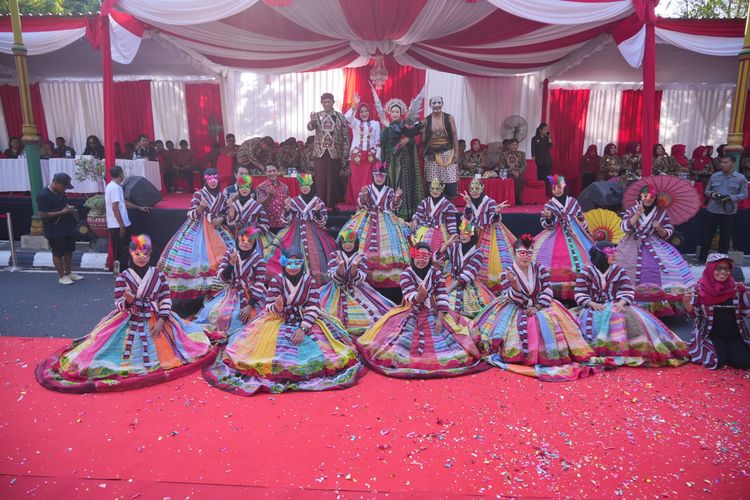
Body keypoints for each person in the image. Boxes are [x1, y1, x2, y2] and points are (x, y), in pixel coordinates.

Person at [36, 235, 215, 393]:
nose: (142, 257)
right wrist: (128, 301)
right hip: (131, 317)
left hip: (157, 317)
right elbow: (119, 303)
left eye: (145, 253)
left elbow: (165, 297)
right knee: (104, 348)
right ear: (131, 254)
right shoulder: (123, 277)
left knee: (177, 343)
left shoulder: (158, 275)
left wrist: (162, 319)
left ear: (150, 253)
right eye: (138, 253)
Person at [203, 247, 364, 396]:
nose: (293, 266)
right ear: (284, 263)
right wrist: (278, 306)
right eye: (289, 262)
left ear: (302, 264)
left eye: (297, 263)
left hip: (306, 319)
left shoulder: (309, 281)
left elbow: (314, 305)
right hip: (279, 319)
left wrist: (303, 328)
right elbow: (268, 306)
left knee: (325, 351)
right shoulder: (276, 281)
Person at [474, 234, 595, 382]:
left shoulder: (540, 269)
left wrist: (537, 306)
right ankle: (525, 354)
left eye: (529, 253)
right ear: (515, 253)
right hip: (515, 306)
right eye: (522, 253)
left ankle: (551, 353)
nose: (525, 257)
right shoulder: (507, 273)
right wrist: (516, 287)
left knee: (549, 318)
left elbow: (547, 289)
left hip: (540, 303)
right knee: (524, 325)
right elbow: (511, 297)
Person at [357, 242, 485, 378]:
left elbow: (442, 295)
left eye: (425, 256)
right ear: (413, 257)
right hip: (412, 311)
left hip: (434, 312)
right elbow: (410, 297)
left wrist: (440, 319)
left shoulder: (435, 273)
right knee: (400, 342)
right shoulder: (406, 274)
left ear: (429, 258)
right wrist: (420, 296)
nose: (421, 260)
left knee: (449, 339)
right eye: (418, 256)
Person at [575, 241, 688, 366]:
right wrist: (590, 303)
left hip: (616, 303)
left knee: (622, 316)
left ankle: (627, 350)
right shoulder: (586, 272)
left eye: (615, 252)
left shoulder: (619, 270)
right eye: (611, 253)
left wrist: (622, 302)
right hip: (593, 306)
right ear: (601, 255)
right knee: (594, 320)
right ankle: (599, 349)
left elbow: (627, 289)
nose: (615, 255)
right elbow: (580, 291)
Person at [616, 185, 695, 316]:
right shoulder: (632, 210)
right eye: (645, 196)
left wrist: (659, 228)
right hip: (631, 243)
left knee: (657, 268)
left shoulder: (661, 213)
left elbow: (668, 232)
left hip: (654, 242)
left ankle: (658, 303)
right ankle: (626, 299)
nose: (648, 199)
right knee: (626, 268)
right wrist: (637, 214)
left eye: (652, 197)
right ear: (640, 196)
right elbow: (624, 228)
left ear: (655, 198)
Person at [157, 168, 235, 299]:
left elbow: (225, 213)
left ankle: (215, 291)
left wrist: (221, 218)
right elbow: (191, 215)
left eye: (215, 178)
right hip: (198, 229)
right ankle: (204, 292)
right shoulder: (199, 194)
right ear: (205, 180)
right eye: (209, 179)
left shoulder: (222, 196)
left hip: (217, 230)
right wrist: (201, 207)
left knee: (222, 256)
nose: (213, 181)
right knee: (200, 258)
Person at [339, 162, 409, 288]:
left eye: (382, 176)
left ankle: (383, 277)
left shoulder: (389, 190)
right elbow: (361, 203)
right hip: (367, 217)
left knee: (388, 245)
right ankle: (359, 272)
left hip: (386, 219)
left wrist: (397, 197)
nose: (379, 178)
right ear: (373, 176)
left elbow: (393, 206)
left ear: (385, 177)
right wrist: (365, 196)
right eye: (377, 175)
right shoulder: (367, 188)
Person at [193, 226, 267, 341]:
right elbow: (221, 277)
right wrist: (231, 263)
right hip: (231, 293)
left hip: (251, 296)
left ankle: (233, 336)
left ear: (254, 243)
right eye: (242, 240)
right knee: (212, 312)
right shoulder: (230, 254)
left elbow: (259, 283)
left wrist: (249, 305)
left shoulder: (259, 260)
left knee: (240, 317)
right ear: (238, 240)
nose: (245, 243)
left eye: (250, 241)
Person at [319, 230, 394, 336]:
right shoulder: (334, 255)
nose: (347, 245)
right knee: (327, 315)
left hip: (357, 289)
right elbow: (334, 277)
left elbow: (359, 278)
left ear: (355, 243)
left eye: (351, 242)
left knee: (372, 314)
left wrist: (354, 267)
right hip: (335, 289)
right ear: (341, 243)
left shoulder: (361, 257)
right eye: (344, 242)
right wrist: (340, 267)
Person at [683, 253, 750, 369]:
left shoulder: (738, 289)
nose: (723, 272)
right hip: (710, 334)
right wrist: (687, 303)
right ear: (710, 269)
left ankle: (732, 350)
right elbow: (696, 316)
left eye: (727, 268)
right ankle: (724, 351)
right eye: (718, 268)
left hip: (735, 334)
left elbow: (746, 312)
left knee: (743, 363)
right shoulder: (697, 289)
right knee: (717, 361)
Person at [267, 174, 336, 286]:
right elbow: (285, 222)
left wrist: (317, 213)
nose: (304, 188)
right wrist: (287, 210)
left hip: (314, 233)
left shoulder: (318, 202)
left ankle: (311, 280)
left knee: (317, 256)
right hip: (295, 231)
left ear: (311, 186)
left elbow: (323, 222)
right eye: (302, 185)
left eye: (307, 185)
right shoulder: (294, 201)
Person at [533, 175, 594, 300]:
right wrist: (549, 218)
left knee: (584, 254)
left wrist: (587, 234)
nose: (557, 190)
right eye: (554, 188)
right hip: (556, 233)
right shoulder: (549, 205)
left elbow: (581, 219)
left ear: (564, 187)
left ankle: (581, 285)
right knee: (556, 255)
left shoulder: (573, 202)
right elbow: (546, 224)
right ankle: (555, 288)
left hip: (575, 232)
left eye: (559, 187)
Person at [461, 176, 514, 291]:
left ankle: (488, 285)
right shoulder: (469, 201)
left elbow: (494, 221)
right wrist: (468, 205)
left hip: (488, 232)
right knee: (469, 254)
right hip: (473, 231)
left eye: (477, 188)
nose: (474, 191)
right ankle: (469, 278)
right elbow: (466, 219)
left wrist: (496, 212)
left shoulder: (490, 202)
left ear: (482, 188)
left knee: (488, 258)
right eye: (472, 189)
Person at [435, 219, 494, 318]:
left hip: (467, 285)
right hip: (450, 279)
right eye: (461, 233)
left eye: (466, 233)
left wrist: (449, 288)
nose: (463, 236)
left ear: (473, 235)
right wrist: (446, 244)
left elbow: (467, 274)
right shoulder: (454, 246)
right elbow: (437, 259)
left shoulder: (478, 253)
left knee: (459, 309)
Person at [699, 156, 749, 263]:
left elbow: (744, 194)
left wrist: (731, 198)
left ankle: (721, 259)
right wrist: (713, 194)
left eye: (726, 162)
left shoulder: (740, 178)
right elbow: (707, 191)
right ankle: (702, 258)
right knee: (707, 234)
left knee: (725, 237)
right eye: (722, 162)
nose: (723, 164)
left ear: (732, 164)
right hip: (713, 209)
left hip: (729, 211)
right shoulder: (715, 176)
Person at [380, 101, 424, 220]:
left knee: (402, 183)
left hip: (404, 161)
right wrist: (386, 128)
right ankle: (390, 209)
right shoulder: (387, 125)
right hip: (391, 161)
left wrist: (409, 140)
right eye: (393, 111)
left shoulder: (405, 125)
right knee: (391, 183)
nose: (395, 113)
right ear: (390, 113)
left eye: (397, 112)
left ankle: (404, 211)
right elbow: (383, 141)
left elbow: (414, 142)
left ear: (401, 114)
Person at [37, 173, 83, 285]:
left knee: (69, 250)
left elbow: (64, 206)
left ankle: (68, 272)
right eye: (64, 186)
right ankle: (61, 276)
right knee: (58, 252)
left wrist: (69, 209)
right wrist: (63, 212)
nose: (65, 189)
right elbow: (42, 215)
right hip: (54, 228)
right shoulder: (43, 195)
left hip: (67, 225)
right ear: (55, 183)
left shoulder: (61, 193)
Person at [307, 92, 350, 210]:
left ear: (333, 102)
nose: (326, 104)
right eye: (324, 102)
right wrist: (311, 122)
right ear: (321, 103)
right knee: (320, 178)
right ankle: (320, 201)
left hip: (335, 151)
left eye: (329, 101)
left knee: (333, 178)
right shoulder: (316, 116)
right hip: (320, 152)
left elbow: (345, 136)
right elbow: (310, 128)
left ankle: (333, 202)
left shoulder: (340, 116)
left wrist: (346, 153)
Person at [105, 166, 150, 273]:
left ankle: (125, 272)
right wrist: (121, 226)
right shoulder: (114, 188)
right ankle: (120, 274)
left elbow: (123, 203)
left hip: (124, 223)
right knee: (121, 252)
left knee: (129, 248)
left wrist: (139, 207)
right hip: (118, 225)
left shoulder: (115, 186)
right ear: (121, 174)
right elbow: (115, 207)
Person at [344, 95, 381, 206]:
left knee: (369, 181)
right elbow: (347, 117)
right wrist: (354, 106)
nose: (364, 113)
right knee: (357, 180)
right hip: (357, 157)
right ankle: (358, 202)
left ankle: (368, 202)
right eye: (361, 111)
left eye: (366, 111)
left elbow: (378, 141)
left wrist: (378, 157)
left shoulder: (376, 124)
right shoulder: (355, 122)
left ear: (369, 112)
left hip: (370, 157)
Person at [423, 96, 459, 199]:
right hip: (432, 156)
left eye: (439, 102)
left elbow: (455, 135)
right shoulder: (426, 120)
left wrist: (456, 153)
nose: (437, 105)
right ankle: (433, 208)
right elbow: (423, 140)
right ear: (430, 105)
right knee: (433, 182)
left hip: (447, 153)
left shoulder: (449, 118)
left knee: (450, 184)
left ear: (442, 104)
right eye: (434, 103)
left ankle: (449, 208)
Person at [410, 178, 458, 254]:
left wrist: (453, 234)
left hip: (440, 232)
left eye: (437, 189)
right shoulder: (425, 202)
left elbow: (451, 222)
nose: (434, 191)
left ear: (442, 189)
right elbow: (417, 215)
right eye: (432, 189)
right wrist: (415, 222)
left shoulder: (448, 205)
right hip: (424, 229)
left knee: (439, 252)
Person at [225, 174, 269, 240]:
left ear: (251, 188)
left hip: (253, 240)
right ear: (238, 188)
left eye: (247, 187)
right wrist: (231, 207)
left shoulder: (258, 206)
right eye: (242, 187)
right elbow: (230, 223)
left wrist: (253, 235)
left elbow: (265, 225)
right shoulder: (234, 205)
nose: (244, 189)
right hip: (237, 239)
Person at [256, 164, 291, 232]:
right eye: (269, 171)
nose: (272, 173)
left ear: (278, 172)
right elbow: (260, 206)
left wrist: (288, 207)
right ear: (265, 173)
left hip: (283, 224)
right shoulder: (261, 187)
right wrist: (269, 196)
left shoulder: (285, 187)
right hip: (267, 224)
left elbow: (287, 204)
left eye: (274, 171)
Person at [499, 138, 526, 203]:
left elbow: (524, 165)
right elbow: (501, 165)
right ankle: (510, 198)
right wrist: (510, 171)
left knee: (521, 179)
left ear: (518, 146)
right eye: (512, 145)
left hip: (518, 172)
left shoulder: (522, 154)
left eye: (516, 145)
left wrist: (519, 172)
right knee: (511, 179)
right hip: (508, 172)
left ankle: (517, 198)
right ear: (509, 145)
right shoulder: (504, 154)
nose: (514, 146)